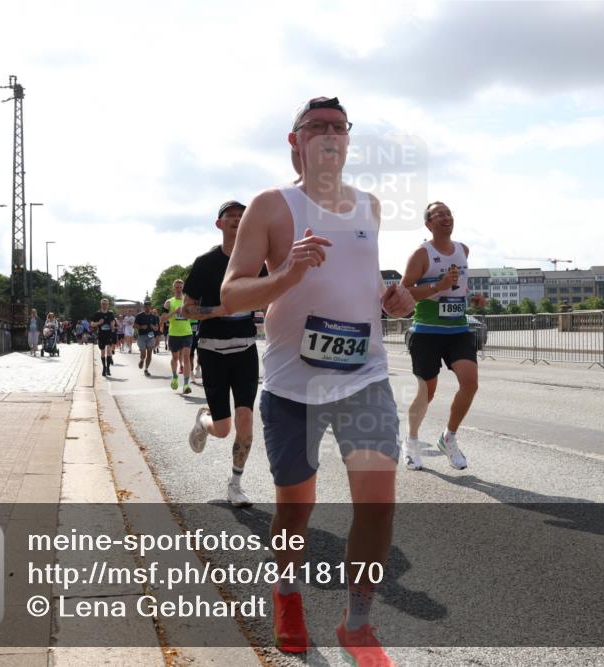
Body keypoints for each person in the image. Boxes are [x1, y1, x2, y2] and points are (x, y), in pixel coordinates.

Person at [221, 96, 413, 665]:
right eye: (317, 127)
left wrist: (393, 300)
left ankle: (358, 623)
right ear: (295, 141)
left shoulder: (370, 208)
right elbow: (233, 293)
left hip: (364, 377)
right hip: (290, 386)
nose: (330, 135)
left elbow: (364, 291)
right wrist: (287, 272)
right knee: (295, 509)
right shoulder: (271, 206)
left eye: (339, 127)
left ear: (348, 140)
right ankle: (286, 592)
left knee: (378, 506)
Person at [184, 200, 266, 507]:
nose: (235, 220)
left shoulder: (257, 263)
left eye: (241, 216)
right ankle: (204, 421)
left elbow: (271, 301)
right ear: (219, 224)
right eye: (229, 216)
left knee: (245, 419)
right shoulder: (205, 263)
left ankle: (235, 484)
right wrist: (218, 309)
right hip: (212, 351)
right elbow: (187, 310)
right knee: (223, 429)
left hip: (245, 349)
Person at [400, 201, 487, 471]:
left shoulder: (463, 250)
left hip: (458, 330)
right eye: (439, 215)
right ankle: (412, 441)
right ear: (429, 223)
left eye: (448, 213)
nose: (445, 217)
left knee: (470, 383)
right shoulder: (421, 253)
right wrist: (437, 286)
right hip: (427, 331)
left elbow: (458, 290)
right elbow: (405, 292)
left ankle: (449, 437)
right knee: (427, 392)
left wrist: (473, 299)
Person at [165, 280, 194, 393]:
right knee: (175, 358)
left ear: (183, 288)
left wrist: (189, 313)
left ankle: (186, 385)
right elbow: (163, 318)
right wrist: (175, 312)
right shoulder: (168, 302)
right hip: (174, 334)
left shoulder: (188, 301)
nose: (178, 289)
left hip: (187, 333)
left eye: (180, 287)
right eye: (176, 287)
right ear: (173, 289)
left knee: (186, 357)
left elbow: (194, 314)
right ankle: (175, 377)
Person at [90, 298, 118, 377]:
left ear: (108, 305)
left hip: (109, 334)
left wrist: (112, 325)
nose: (104, 305)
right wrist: (99, 322)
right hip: (101, 334)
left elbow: (113, 321)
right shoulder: (97, 314)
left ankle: (108, 368)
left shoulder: (110, 313)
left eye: (106, 304)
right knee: (102, 352)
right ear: (101, 304)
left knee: (109, 350)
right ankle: (104, 367)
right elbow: (92, 324)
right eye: (103, 304)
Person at [134, 300, 159, 376]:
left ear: (150, 306)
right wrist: (141, 327)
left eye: (149, 306)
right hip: (142, 336)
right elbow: (134, 326)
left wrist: (153, 327)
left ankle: (146, 369)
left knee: (149, 354)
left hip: (150, 337)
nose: (147, 307)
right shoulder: (139, 315)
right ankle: (142, 360)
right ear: (144, 307)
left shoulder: (154, 316)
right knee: (143, 354)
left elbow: (156, 328)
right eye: (146, 306)